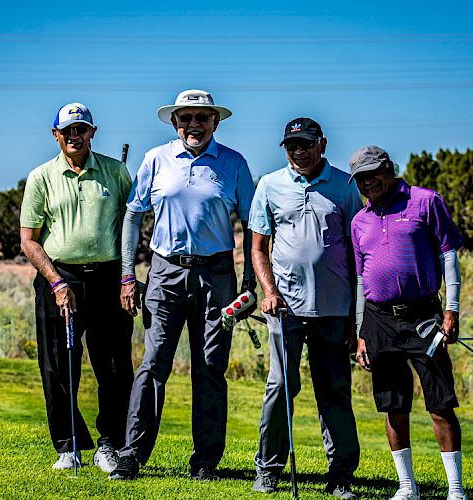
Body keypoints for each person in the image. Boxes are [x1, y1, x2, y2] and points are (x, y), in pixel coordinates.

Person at [109, 89, 256, 481]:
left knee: (210, 367)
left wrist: (251, 281)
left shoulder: (234, 163)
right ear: (175, 123)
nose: (194, 125)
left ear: (215, 122)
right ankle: (132, 454)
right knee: (153, 364)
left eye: (202, 118)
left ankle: (205, 461)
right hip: (165, 273)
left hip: (218, 276)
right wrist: (128, 274)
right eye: (186, 118)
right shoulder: (155, 159)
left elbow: (254, 226)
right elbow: (132, 216)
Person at [249, 117, 362, 498]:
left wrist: (354, 316)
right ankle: (268, 467)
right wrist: (268, 291)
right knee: (281, 386)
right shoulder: (269, 185)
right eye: (291, 144)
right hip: (285, 307)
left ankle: (341, 475)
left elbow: (356, 252)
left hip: (334, 307)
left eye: (306, 143)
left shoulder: (347, 186)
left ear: (322, 144)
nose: (298, 151)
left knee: (334, 392)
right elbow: (258, 248)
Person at [20, 102, 134, 473]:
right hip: (59, 278)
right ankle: (68, 445)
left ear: (92, 132)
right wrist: (55, 281)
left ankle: (110, 445)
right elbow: (29, 240)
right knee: (58, 364)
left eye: (81, 129)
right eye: (67, 130)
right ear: (56, 135)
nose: (74, 136)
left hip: (108, 278)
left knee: (114, 366)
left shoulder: (116, 172)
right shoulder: (41, 177)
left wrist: (128, 277)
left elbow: (130, 226)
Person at [350, 145, 467, 500]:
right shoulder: (360, 221)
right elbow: (360, 279)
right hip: (379, 320)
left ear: (389, 169)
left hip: (423, 316)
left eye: (374, 173)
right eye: (361, 178)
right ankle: (406, 487)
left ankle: (456, 489)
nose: (369, 182)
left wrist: (451, 309)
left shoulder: (425, 201)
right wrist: (360, 333)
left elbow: (449, 254)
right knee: (393, 405)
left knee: (440, 403)